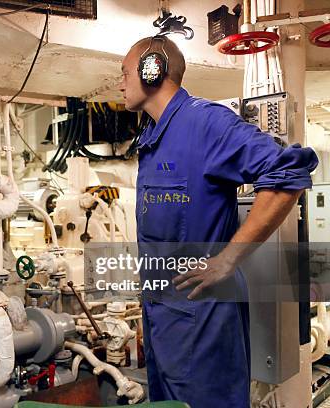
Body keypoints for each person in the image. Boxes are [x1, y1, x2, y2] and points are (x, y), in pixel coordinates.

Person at [119, 36, 318, 406]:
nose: (121, 83)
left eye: (126, 72)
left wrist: (229, 259)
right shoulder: (153, 139)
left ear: (153, 70)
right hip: (164, 324)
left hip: (204, 325)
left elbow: (288, 173)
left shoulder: (205, 124)